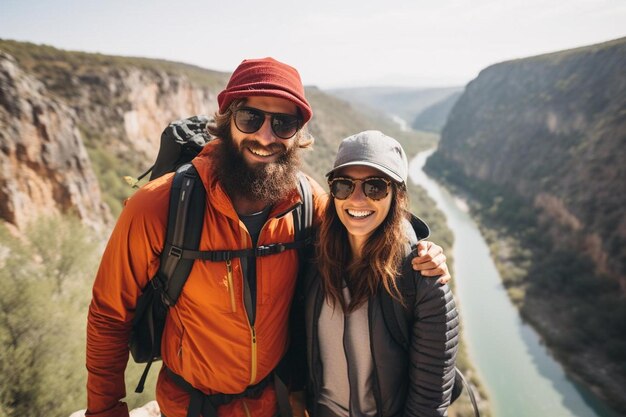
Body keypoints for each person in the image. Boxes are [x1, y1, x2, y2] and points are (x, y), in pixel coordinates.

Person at [85, 58, 451, 417]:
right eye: (251, 117)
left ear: (298, 135)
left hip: (275, 401)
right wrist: (104, 408)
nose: (265, 135)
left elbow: (361, 218)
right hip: (191, 405)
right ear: (228, 120)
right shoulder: (160, 205)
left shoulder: (307, 203)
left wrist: (416, 247)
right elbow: (109, 315)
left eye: (283, 123)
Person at [302, 131, 459, 417]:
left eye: (375, 187)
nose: (357, 199)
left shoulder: (422, 278)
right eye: (343, 186)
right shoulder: (313, 259)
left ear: (397, 195)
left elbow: (428, 402)